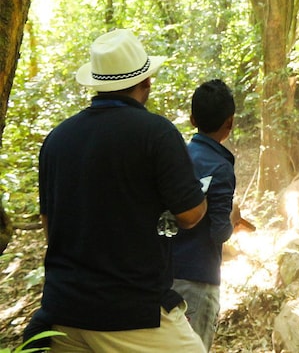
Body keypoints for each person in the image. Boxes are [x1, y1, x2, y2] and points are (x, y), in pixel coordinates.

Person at [35, 29, 208, 352]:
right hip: (129, 311)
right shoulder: (156, 134)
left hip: (62, 312)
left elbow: (50, 225)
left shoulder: (57, 139)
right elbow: (190, 214)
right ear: (146, 82)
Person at [172, 79, 245, 351]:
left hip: (165, 273)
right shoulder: (221, 167)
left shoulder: (176, 157)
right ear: (230, 122)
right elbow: (219, 232)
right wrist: (233, 219)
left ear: (192, 119)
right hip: (200, 278)